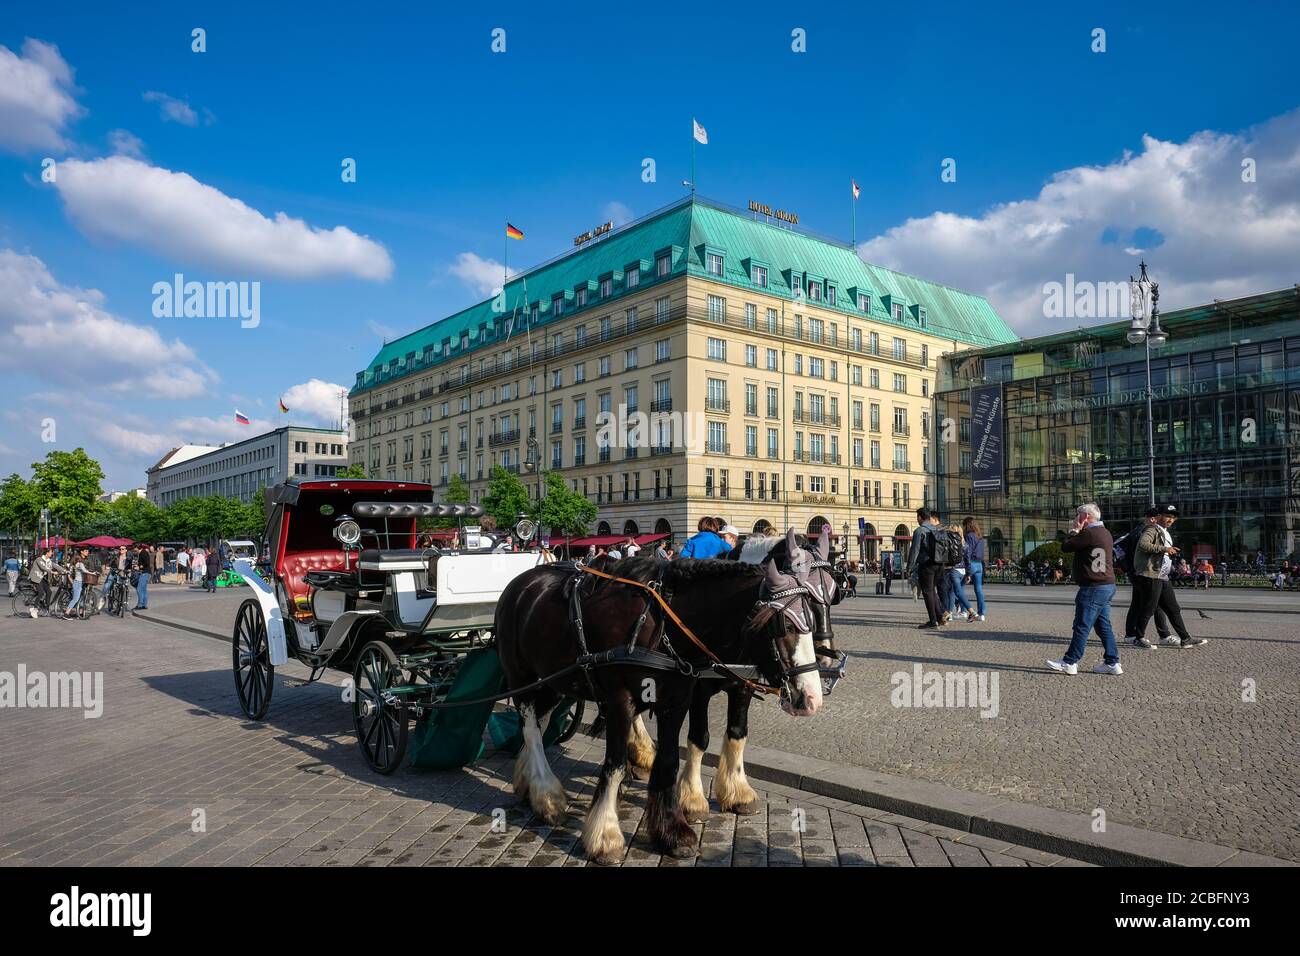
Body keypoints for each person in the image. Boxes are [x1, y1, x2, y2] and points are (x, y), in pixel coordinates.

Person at [1047, 503, 1122, 675]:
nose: (1075, 518)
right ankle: (1112, 662)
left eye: (1077, 515)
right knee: (1103, 626)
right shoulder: (1105, 532)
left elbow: (1066, 547)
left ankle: (1070, 661)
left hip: (1093, 586)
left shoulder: (1088, 533)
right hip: (1107, 584)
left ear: (1085, 517)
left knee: (1081, 625)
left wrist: (1074, 530)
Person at [1131, 504, 1208, 649]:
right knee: (1149, 608)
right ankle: (1138, 638)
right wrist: (1165, 549)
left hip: (1162, 575)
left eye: (1173, 517)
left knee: (1173, 608)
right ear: (1159, 516)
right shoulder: (1152, 529)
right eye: (1168, 516)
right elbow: (1143, 544)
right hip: (1151, 575)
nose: (1171, 520)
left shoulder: (1165, 532)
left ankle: (1185, 638)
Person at [1120, 511, 1176, 649]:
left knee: (1139, 604)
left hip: (1137, 573)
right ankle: (1163, 635)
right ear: (1153, 518)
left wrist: (1127, 568)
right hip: (1144, 573)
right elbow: (1145, 549)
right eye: (1159, 517)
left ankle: (1131, 634)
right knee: (1155, 603)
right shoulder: (1145, 531)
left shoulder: (1135, 531)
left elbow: (1119, 548)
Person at [905, 508, 943, 628]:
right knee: (932, 591)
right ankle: (939, 617)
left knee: (927, 592)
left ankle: (933, 621)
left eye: (917, 517)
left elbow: (914, 550)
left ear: (920, 517)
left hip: (926, 565)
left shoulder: (920, 531)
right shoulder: (938, 529)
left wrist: (909, 568)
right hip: (940, 564)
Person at [961, 517, 987, 622]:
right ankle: (981, 614)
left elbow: (968, 552)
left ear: (967, 525)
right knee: (978, 589)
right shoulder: (979, 536)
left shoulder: (968, 536)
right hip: (979, 565)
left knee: (960, 587)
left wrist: (965, 566)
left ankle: (963, 611)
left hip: (971, 563)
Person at [29, 549, 59, 613]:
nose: (52, 553)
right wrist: (52, 572)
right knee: (41, 593)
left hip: (41, 579)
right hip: (35, 578)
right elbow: (43, 567)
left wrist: (65, 571)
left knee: (49, 592)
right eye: (51, 552)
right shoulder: (39, 559)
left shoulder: (49, 561)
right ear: (47, 553)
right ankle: (35, 609)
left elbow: (56, 566)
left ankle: (47, 609)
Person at [64, 548, 90, 619]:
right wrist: (93, 573)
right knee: (75, 599)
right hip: (78, 582)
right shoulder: (80, 564)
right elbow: (85, 571)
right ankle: (66, 614)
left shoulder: (75, 565)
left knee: (78, 598)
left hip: (77, 582)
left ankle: (78, 613)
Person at [132, 545, 150, 611]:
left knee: (139, 589)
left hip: (144, 573)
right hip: (145, 572)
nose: (133, 549)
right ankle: (144, 605)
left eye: (134, 548)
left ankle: (140, 605)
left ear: (137, 547)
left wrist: (139, 567)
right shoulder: (142, 552)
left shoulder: (143, 553)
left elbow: (146, 563)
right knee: (143, 589)